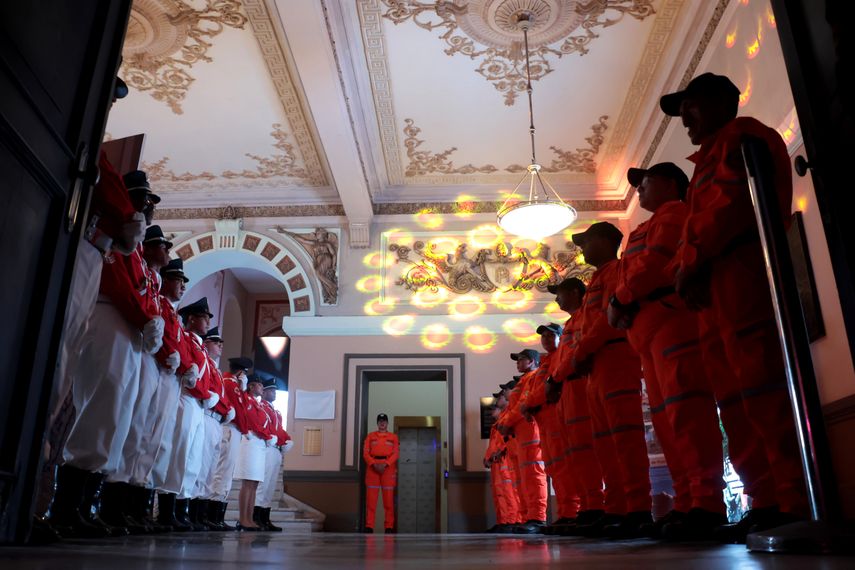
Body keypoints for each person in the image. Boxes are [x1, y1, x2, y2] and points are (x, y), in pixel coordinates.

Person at [661, 72, 807, 540]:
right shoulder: (713, 151)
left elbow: (728, 207)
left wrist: (691, 262)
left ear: (722, 101)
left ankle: (794, 499)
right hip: (713, 290)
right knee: (734, 398)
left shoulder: (742, 138)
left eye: (691, 110)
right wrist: (688, 266)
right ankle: (765, 498)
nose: (686, 122)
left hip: (739, 277)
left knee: (761, 389)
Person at [608, 163, 726, 540]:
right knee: (666, 419)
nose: (639, 189)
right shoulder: (646, 224)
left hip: (670, 321)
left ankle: (707, 504)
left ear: (670, 183)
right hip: (649, 329)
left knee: (686, 411)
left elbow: (656, 263)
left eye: (646, 182)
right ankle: (688, 502)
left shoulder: (674, 212)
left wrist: (619, 299)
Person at [49, 170, 163, 539]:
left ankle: (84, 505)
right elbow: (116, 282)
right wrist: (145, 317)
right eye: (142, 202)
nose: (147, 209)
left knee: (117, 414)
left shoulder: (141, 260)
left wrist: (148, 321)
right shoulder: (119, 242)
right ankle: (65, 506)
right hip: (111, 315)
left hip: (130, 330)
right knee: (101, 404)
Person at [567, 222, 651, 538]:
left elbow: (606, 321)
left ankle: (638, 508)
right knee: (605, 444)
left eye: (586, 242)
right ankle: (617, 508)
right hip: (597, 366)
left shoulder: (616, 269)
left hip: (614, 358)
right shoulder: (597, 278)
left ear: (604, 240)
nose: (582, 249)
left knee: (624, 438)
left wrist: (581, 352)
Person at [104, 225, 172, 534]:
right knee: (116, 418)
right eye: (164, 247)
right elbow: (126, 292)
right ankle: (104, 506)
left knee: (143, 431)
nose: (167, 253)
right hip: (127, 336)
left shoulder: (154, 282)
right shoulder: (129, 258)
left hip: (147, 352)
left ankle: (128, 507)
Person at [545, 277, 605, 535]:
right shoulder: (572, 322)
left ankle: (599, 506)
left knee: (589, 449)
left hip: (580, 387)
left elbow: (575, 355)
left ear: (574, 291)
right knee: (575, 454)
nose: (557, 299)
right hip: (568, 393)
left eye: (559, 293)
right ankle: (589, 506)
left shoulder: (585, 316)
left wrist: (554, 378)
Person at [147, 258, 197, 531]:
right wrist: (171, 355)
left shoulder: (172, 314)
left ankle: (152, 510)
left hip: (173, 379)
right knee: (147, 437)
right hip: (162, 371)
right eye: (178, 280)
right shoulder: (160, 304)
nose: (181, 286)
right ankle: (137, 508)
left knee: (164, 446)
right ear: (164, 280)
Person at [520, 323, 580, 533]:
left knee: (565, 467)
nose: (545, 339)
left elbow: (545, 388)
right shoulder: (546, 362)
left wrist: (528, 404)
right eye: (543, 337)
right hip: (545, 419)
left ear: (559, 337)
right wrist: (528, 405)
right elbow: (539, 390)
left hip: (557, 415)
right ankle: (566, 513)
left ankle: (572, 512)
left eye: (550, 335)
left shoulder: (559, 356)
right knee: (555, 468)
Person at [494, 350, 548, 534]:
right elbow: (515, 407)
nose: (518, 362)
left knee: (534, 477)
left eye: (521, 359)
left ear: (532, 361)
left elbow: (522, 405)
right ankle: (528, 517)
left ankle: (538, 518)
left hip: (531, 434)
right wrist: (505, 423)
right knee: (525, 481)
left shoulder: (533, 378)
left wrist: (506, 422)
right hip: (522, 436)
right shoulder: (524, 380)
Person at [189, 327, 234, 529]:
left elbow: (221, 397)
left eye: (221, 344)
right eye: (217, 343)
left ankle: (201, 514)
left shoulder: (215, 368)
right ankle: (191, 513)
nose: (221, 347)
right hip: (206, 413)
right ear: (206, 344)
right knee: (198, 465)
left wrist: (226, 410)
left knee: (209, 469)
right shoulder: (205, 361)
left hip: (217, 419)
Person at [207, 356, 254, 530]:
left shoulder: (235, 385)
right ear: (241, 372)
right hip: (229, 428)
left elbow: (241, 407)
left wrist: (243, 391)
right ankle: (213, 516)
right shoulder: (229, 383)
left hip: (234, 429)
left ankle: (217, 516)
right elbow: (239, 410)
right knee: (222, 472)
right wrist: (244, 428)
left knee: (226, 474)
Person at [234, 374, 275, 531]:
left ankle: (249, 518)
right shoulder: (247, 400)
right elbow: (253, 422)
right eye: (259, 385)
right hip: (251, 442)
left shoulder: (257, 404)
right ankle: (243, 519)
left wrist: (267, 436)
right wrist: (267, 435)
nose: (262, 387)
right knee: (247, 483)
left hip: (259, 444)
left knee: (254, 484)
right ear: (251, 386)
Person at [254, 377, 293, 531]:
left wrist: (287, 440)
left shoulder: (275, 411)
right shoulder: (261, 407)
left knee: (271, 486)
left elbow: (279, 431)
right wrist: (273, 438)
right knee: (263, 485)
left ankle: (265, 518)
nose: (274, 393)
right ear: (263, 392)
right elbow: (265, 428)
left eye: (275, 391)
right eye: (271, 390)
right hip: (267, 447)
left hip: (276, 449)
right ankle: (256, 518)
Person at [484, 393, 521, 534]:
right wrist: (487, 457)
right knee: (500, 493)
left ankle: (511, 521)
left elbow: (507, 441)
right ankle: (503, 521)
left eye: (495, 407)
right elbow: (493, 446)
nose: (492, 411)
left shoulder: (508, 417)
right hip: (497, 462)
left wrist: (498, 452)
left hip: (504, 460)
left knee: (509, 493)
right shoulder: (497, 425)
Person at [362, 413, 399, 533]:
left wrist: (386, 464)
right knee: (371, 502)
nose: (382, 423)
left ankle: (389, 526)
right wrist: (374, 464)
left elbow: (396, 454)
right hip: (373, 469)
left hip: (388, 470)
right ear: (377, 423)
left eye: (384, 421)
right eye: (380, 421)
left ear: (387, 423)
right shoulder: (370, 436)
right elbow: (366, 453)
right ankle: (369, 526)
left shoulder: (393, 437)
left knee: (388, 502)